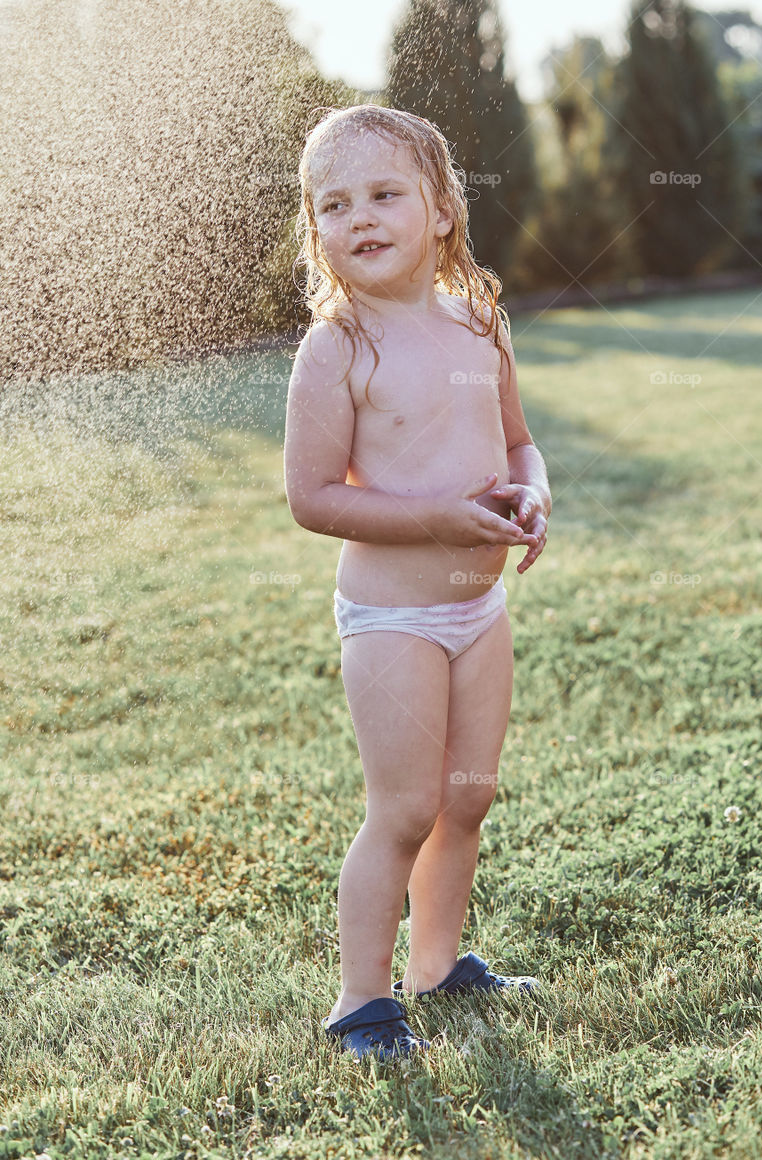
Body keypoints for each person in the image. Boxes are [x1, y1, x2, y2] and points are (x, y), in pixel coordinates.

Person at [283, 104, 552, 1062]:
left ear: (441, 210)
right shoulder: (339, 349)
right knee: (402, 810)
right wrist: (436, 520)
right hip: (393, 616)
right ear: (316, 229)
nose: (358, 216)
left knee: (466, 800)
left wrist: (532, 493)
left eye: (384, 194)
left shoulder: (478, 317)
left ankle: (436, 968)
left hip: (477, 610)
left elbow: (518, 441)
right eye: (333, 203)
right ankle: (362, 1002)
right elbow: (311, 498)